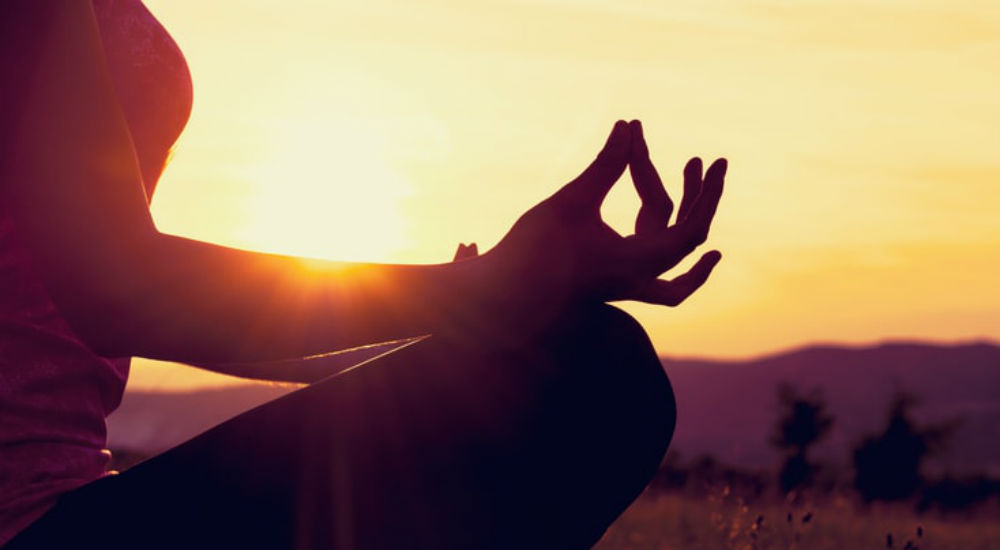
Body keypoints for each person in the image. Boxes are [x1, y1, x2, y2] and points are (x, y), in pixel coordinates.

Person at [0, 2, 727, 548]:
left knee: (548, 361)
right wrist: (489, 285)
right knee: (592, 374)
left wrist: (457, 329)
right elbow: (117, 289)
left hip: (68, 502)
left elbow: (105, 296)